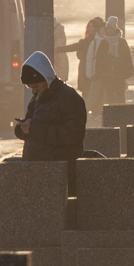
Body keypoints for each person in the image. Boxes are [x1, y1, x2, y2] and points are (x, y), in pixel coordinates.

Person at [13, 52, 87, 191]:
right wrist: (21, 128)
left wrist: (34, 128)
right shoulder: (38, 97)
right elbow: (32, 127)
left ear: (46, 79)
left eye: (36, 86)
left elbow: (72, 134)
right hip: (37, 169)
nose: (33, 91)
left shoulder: (68, 97)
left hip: (60, 170)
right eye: (30, 88)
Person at [86, 16, 134, 117]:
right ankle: (112, 116)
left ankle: (122, 115)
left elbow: (127, 58)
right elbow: (98, 60)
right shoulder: (104, 42)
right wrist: (100, 72)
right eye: (107, 28)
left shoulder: (122, 42)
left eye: (111, 28)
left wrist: (127, 72)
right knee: (109, 96)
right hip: (107, 75)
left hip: (119, 75)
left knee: (120, 95)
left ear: (115, 29)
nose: (109, 30)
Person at [69, 18, 105, 90]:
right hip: (84, 69)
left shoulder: (98, 41)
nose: (90, 28)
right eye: (89, 26)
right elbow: (72, 47)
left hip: (95, 70)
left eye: (92, 26)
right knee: (87, 91)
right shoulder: (85, 41)